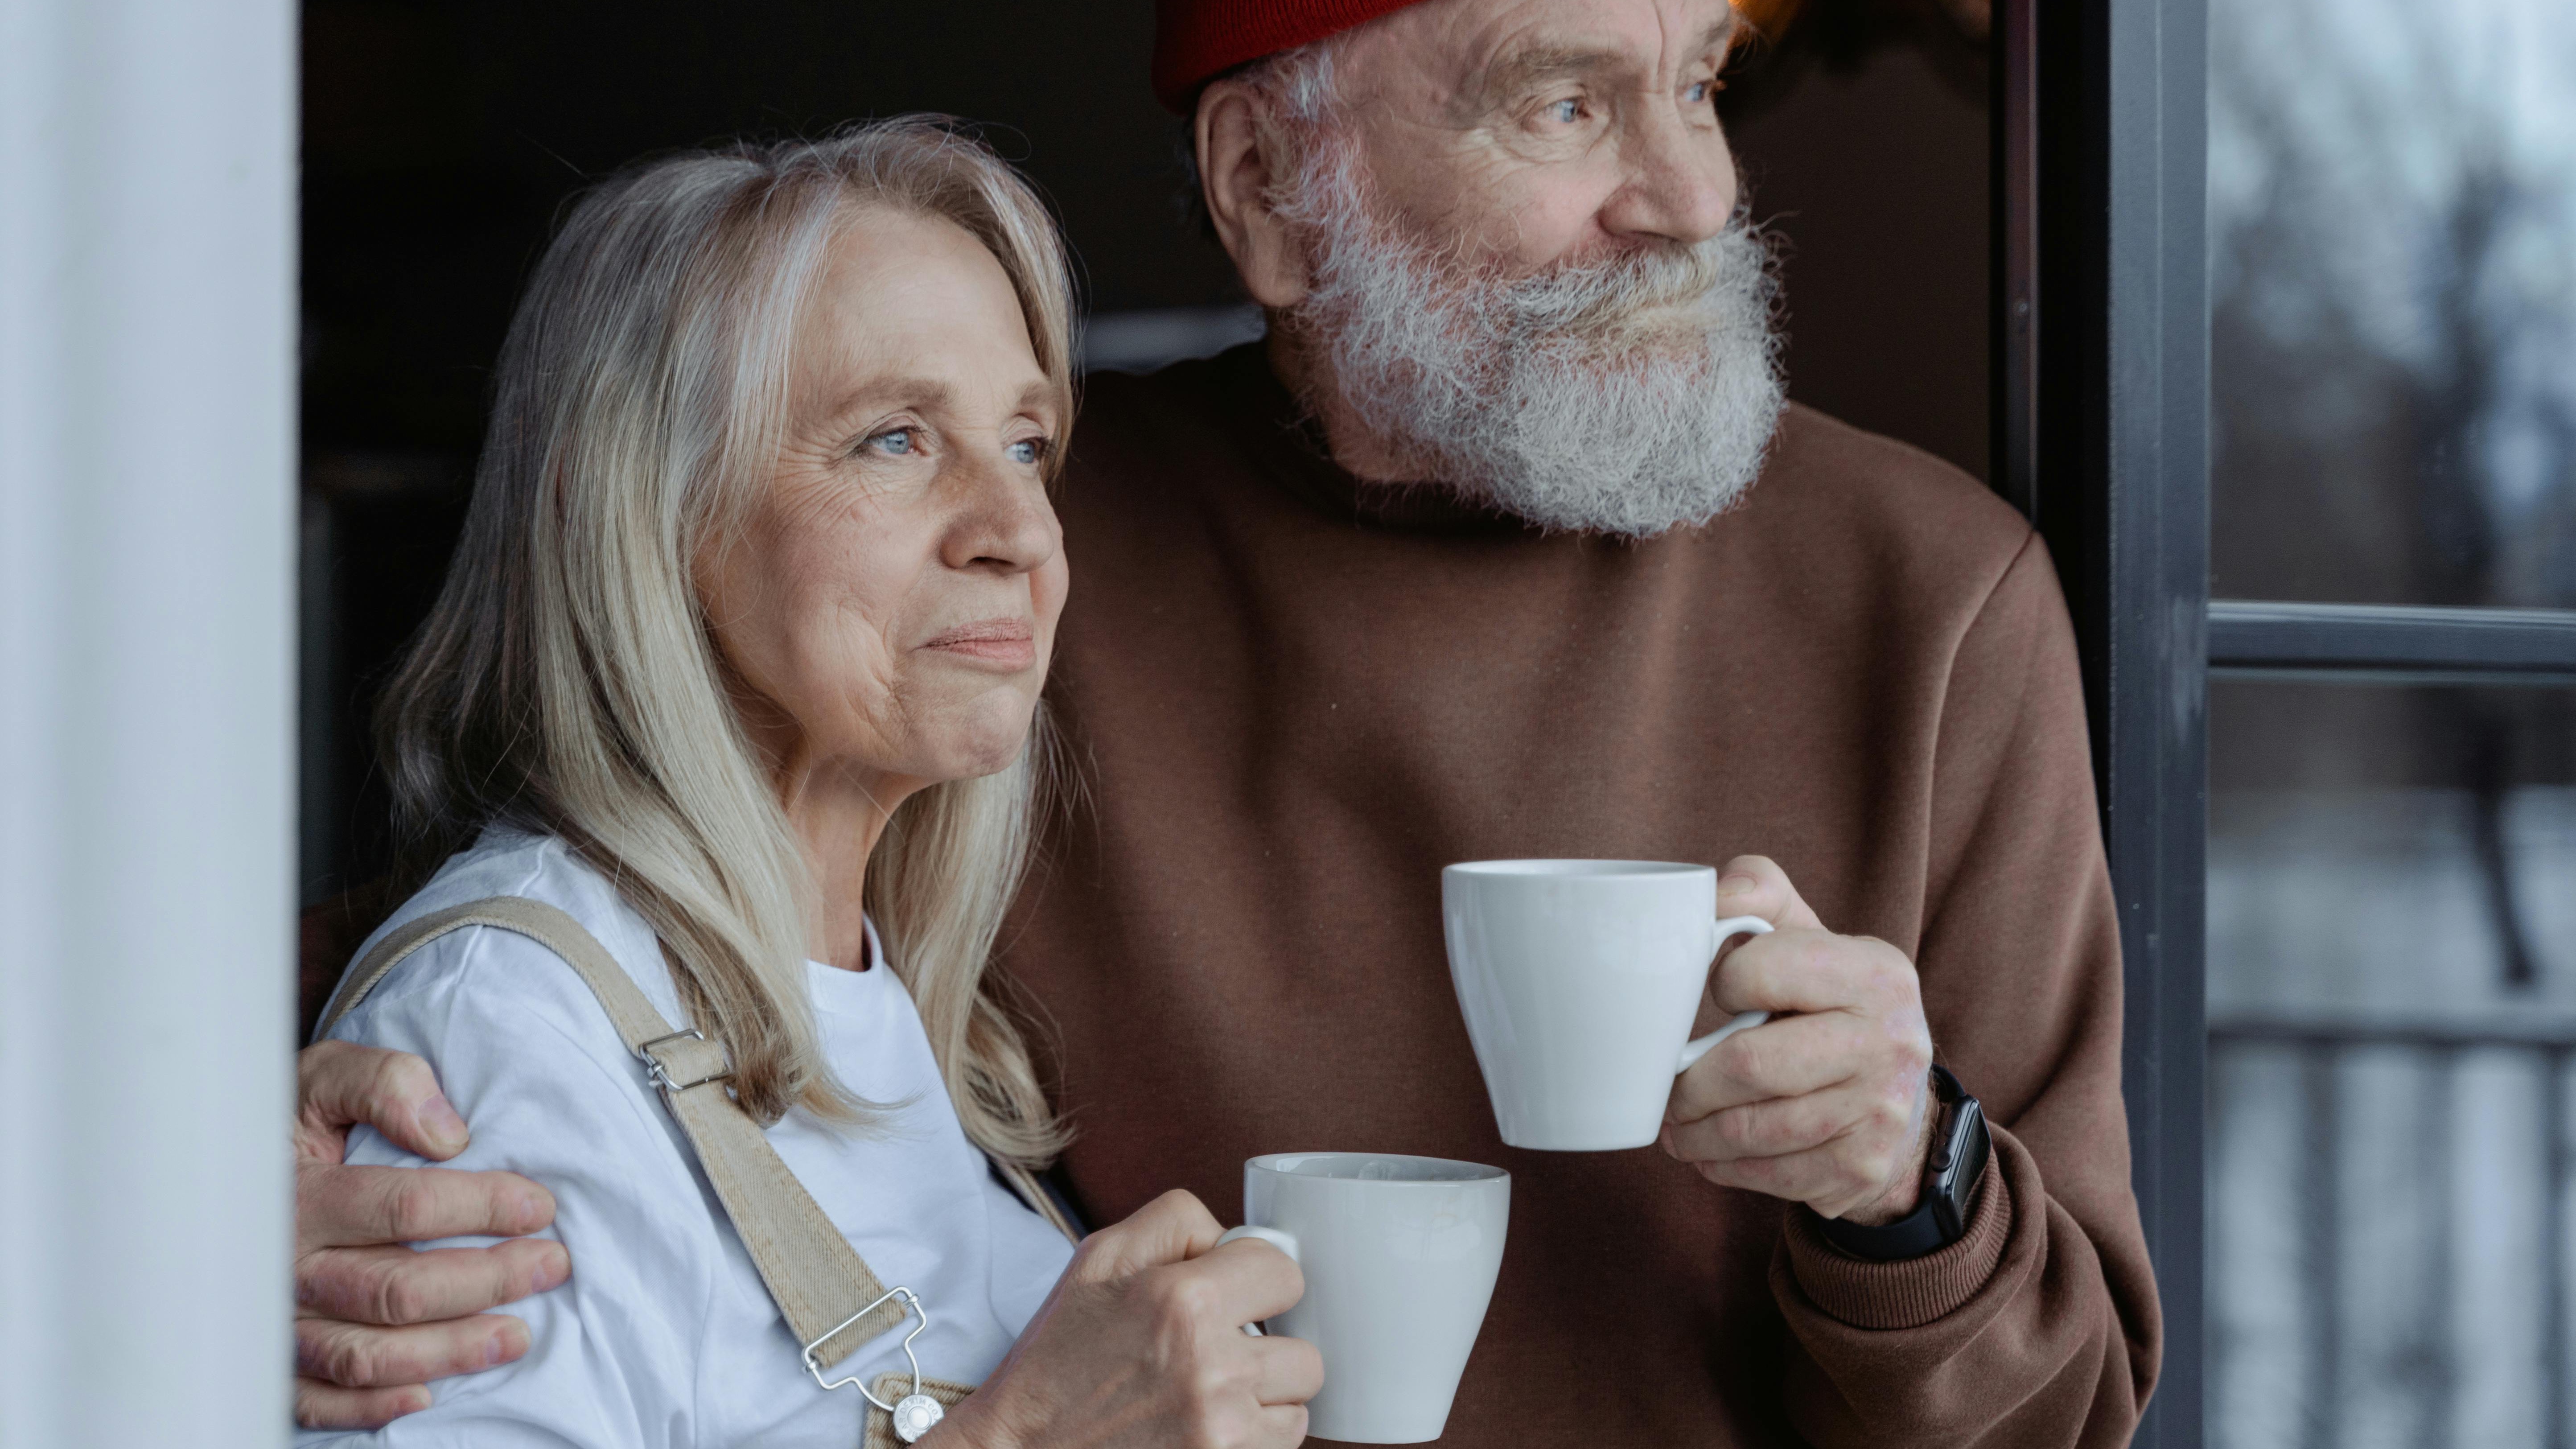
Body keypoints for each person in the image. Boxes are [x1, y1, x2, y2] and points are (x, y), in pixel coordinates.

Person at [294, 0, 2162, 1443]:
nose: (1690, 195)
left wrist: (1906, 1189)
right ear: (1268, 187)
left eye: (1694, 85)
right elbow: (550, 937)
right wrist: (231, 1175)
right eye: (1566, 101)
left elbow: (2066, 1413)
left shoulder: (1928, 599)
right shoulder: (1001, 588)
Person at [292, 118, 1321, 1445]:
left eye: (1023, 444)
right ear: (643, 512)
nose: (1019, 529)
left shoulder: (896, 1013)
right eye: (895, 439)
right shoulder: (508, 1034)